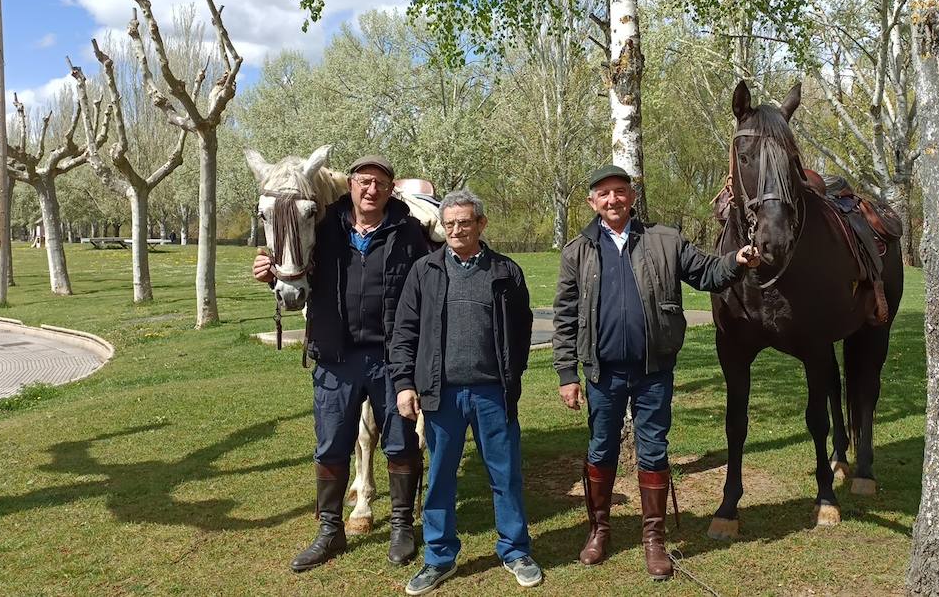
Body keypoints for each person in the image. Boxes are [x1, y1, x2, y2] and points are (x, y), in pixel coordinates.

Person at [552, 165, 759, 580]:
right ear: (593, 202)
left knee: (653, 451)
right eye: (604, 194)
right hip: (602, 374)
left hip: (653, 371)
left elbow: (707, 273)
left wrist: (736, 260)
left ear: (631, 197)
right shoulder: (578, 250)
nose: (613, 200)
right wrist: (566, 375)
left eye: (620, 192)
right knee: (600, 450)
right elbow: (565, 317)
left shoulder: (664, 240)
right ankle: (599, 531)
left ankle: (654, 540)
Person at [252, 154, 431, 573]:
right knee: (331, 446)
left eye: (380, 183)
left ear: (391, 189)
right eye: (364, 181)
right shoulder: (324, 224)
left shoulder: (408, 230)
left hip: (394, 359)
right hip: (336, 356)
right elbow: (294, 258)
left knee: (402, 443)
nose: (371, 190)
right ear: (350, 184)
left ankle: (403, 526)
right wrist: (270, 269)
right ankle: (330, 531)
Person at [388, 190, 541, 595]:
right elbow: (403, 333)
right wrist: (405, 384)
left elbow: (522, 331)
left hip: (493, 394)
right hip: (442, 396)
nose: (456, 230)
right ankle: (439, 557)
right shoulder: (425, 271)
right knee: (440, 478)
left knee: (505, 475)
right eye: (449, 223)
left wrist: (513, 374)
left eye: (465, 222)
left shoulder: (506, 271)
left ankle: (515, 550)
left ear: (481, 224)